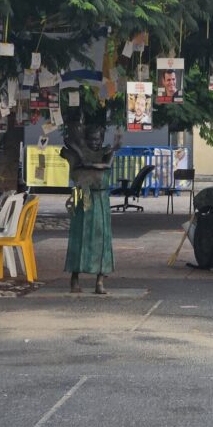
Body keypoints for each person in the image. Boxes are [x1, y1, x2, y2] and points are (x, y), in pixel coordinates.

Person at [60, 111, 121, 294]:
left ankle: (100, 281)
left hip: (101, 200)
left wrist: (87, 165)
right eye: (90, 139)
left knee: (101, 240)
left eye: (97, 140)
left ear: (101, 139)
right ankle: (74, 279)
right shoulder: (77, 154)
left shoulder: (107, 153)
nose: (94, 143)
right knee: (79, 238)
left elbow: (106, 166)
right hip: (83, 197)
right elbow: (74, 169)